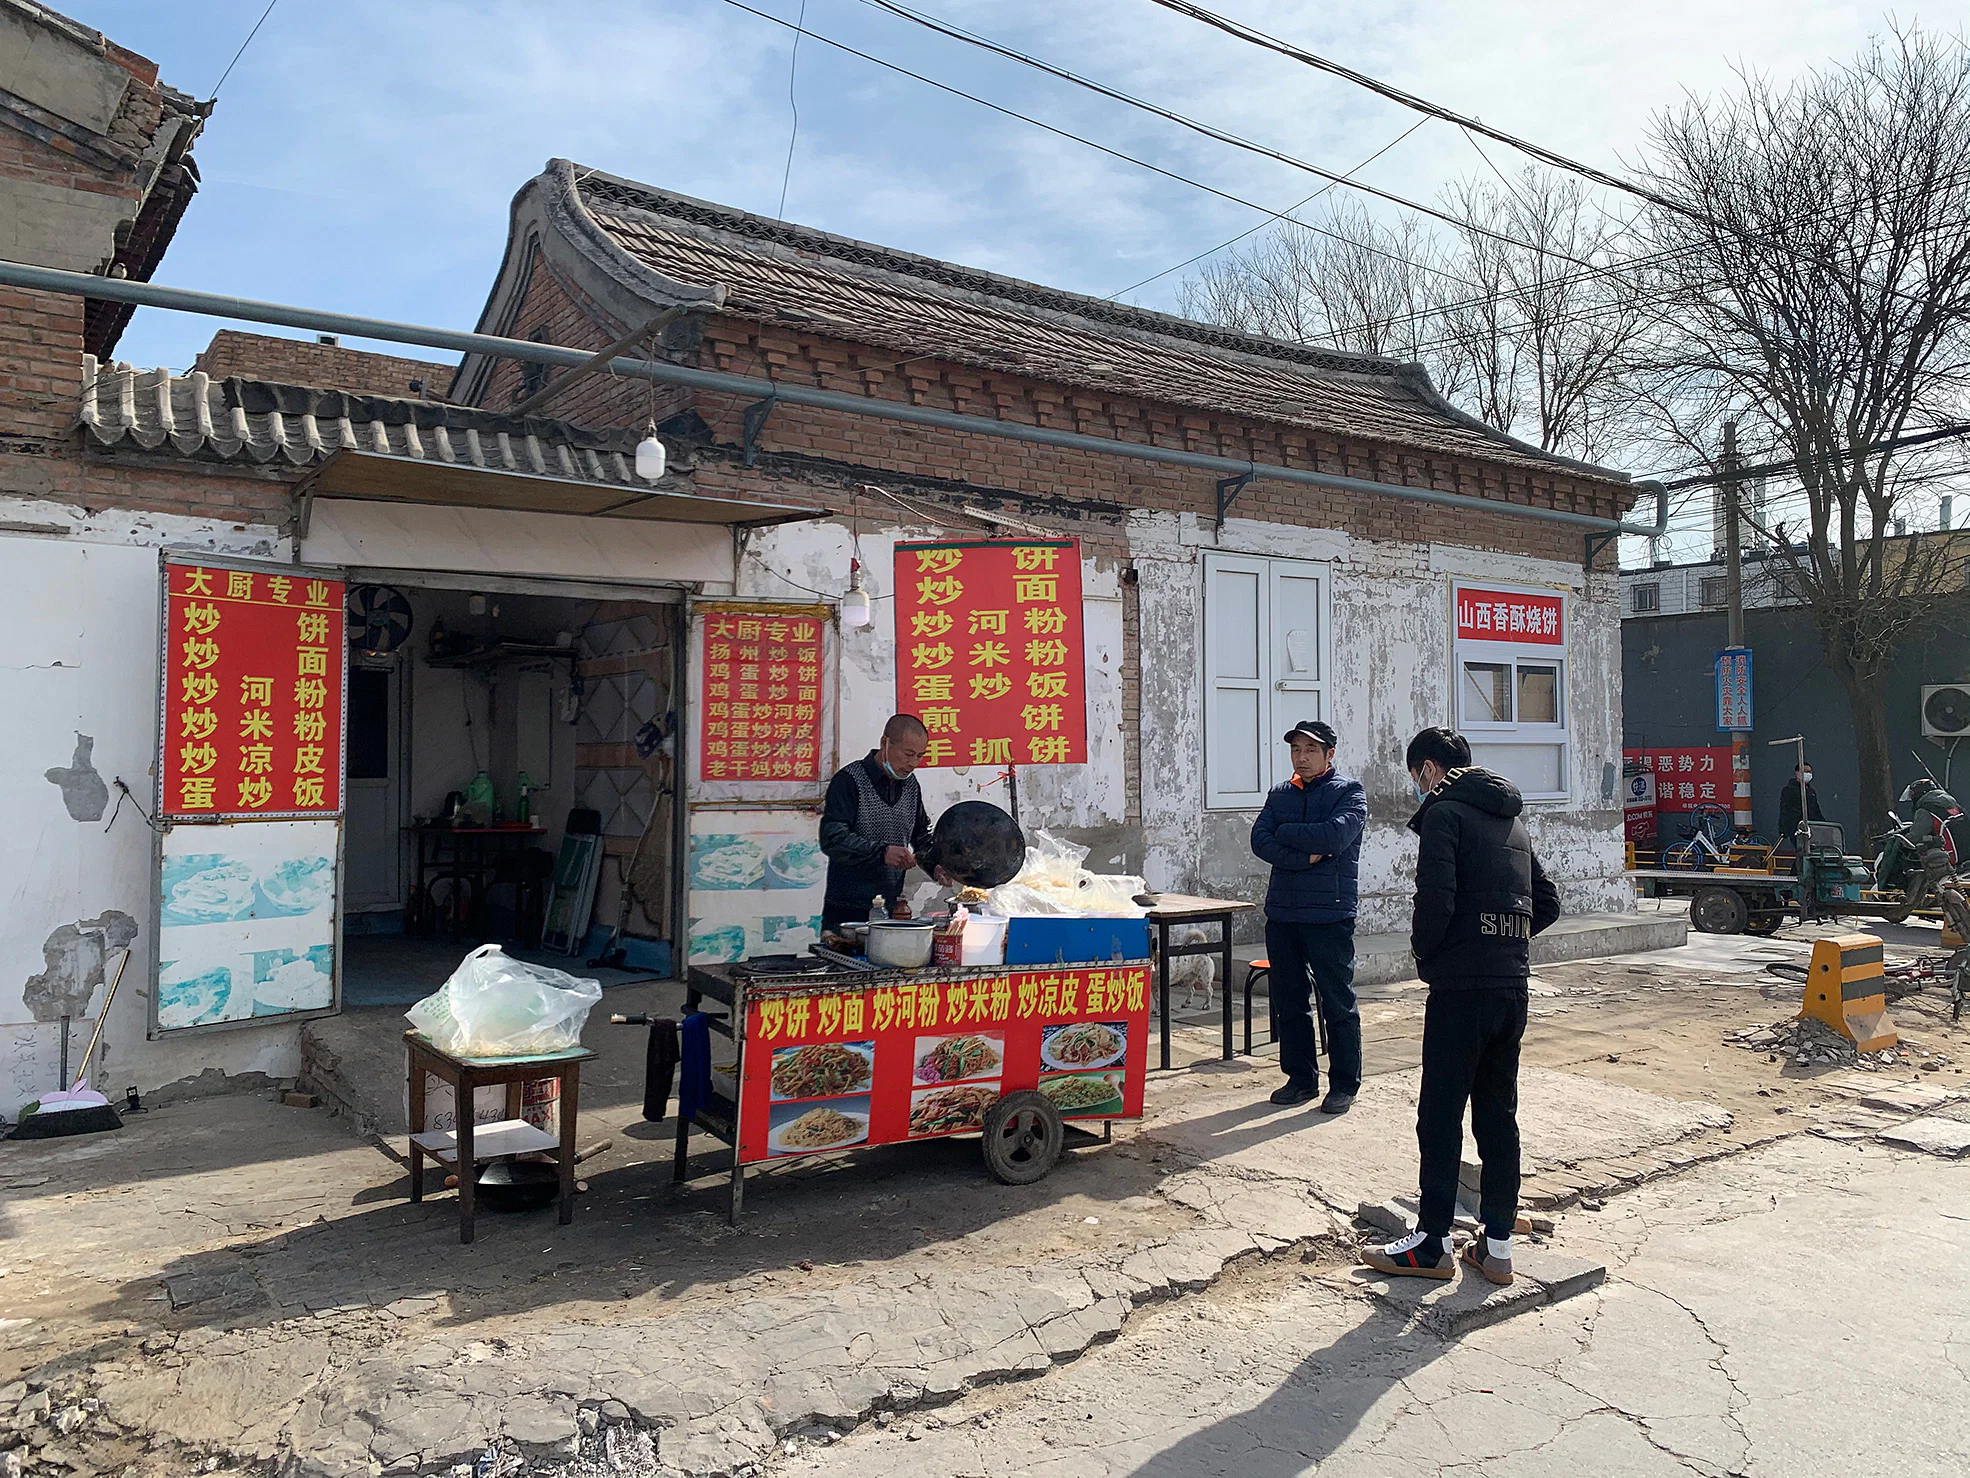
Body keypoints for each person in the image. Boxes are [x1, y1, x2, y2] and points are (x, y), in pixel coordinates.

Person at [1363, 727, 1560, 1286]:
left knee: (1441, 1114)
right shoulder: (1512, 820)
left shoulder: (1445, 815)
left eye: (1415, 777)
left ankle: (1431, 1245)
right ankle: (1496, 1248)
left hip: (1462, 990)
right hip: (1511, 985)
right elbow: (1546, 902)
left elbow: (1435, 900)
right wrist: (1502, 942)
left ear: (1428, 770)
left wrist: (1432, 956)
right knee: (1499, 1115)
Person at [1248, 720, 1367, 1113]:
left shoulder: (1349, 792)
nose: (1302, 757)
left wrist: (1287, 833)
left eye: (1311, 750)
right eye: (1296, 749)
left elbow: (1335, 837)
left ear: (1330, 754)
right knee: (1289, 999)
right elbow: (1259, 839)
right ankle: (1300, 1079)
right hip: (1283, 911)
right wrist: (1304, 853)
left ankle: (1344, 1083)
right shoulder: (1281, 793)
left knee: (1337, 999)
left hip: (1328, 912)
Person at [819, 714, 935, 935]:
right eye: (908, 754)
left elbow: (921, 836)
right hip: (847, 911)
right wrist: (881, 853)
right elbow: (832, 838)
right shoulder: (849, 781)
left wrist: (936, 865)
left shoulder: (911, 785)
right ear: (885, 743)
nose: (912, 763)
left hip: (890, 910)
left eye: (920, 756)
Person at [1776, 763, 1824, 845]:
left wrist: (1823, 824)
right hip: (1796, 826)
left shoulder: (1810, 791)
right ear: (1797, 773)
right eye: (1805, 771)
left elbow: (1816, 809)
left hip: (1812, 826)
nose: (1808, 774)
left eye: (1809, 772)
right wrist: (1783, 829)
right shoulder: (1789, 790)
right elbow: (1784, 809)